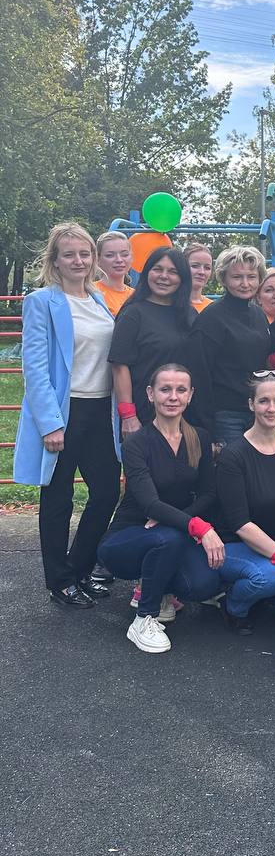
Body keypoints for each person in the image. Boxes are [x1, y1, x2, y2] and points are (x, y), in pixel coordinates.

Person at [14, 222, 121, 606]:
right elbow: (35, 367)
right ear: (55, 260)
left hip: (101, 409)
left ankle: (79, 567)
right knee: (58, 498)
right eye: (69, 254)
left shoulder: (99, 300)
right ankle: (59, 582)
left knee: (106, 492)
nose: (78, 260)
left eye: (84, 253)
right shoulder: (42, 301)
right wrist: (50, 424)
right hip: (65, 410)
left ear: (93, 258)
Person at [97, 364, 224, 653]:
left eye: (181, 390)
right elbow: (149, 504)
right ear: (150, 394)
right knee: (166, 538)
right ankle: (144, 618)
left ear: (190, 395)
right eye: (165, 389)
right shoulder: (136, 443)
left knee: (202, 584)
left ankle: (162, 587)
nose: (173, 396)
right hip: (128, 537)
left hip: (174, 532)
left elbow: (209, 493)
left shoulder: (200, 438)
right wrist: (199, 527)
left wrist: (179, 522)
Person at [216, 372, 275, 633]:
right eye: (263, 401)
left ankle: (269, 594)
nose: (272, 408)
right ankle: (233, 605)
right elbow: (240, 524)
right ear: (251, 404)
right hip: (240, 545)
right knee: (270, 577)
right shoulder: (233, 455)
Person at [187, 245, 275, 443]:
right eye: (237, 277)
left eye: (251, 277)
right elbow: (200, 375)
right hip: (225, 415)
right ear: (224, 279)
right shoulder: (211, 318)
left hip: (258, 410)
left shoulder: (258, 314)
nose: (245, 283)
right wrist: (206, 425)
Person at [109, 246, 197, 433]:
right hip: (144, 415)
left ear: (183, 278)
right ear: (147, 272)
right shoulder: (133, 314)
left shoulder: (190, 315)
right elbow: (119, 365)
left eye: (172, 272)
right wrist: (128, 415)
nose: (164, 276)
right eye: (157, 269)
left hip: (184, 413)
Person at [95, 231, 134, 317]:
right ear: (98, 259)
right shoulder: (90, 292)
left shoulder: (136, 296)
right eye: (110, 255)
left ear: (131, 258)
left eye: (124, 255)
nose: (119, 260)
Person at [184, 242, 214, 313]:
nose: (202, 272)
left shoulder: (213, 307)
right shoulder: (167, 303)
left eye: (207, 268)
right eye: (195, 266)